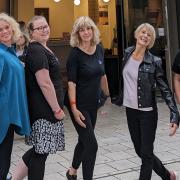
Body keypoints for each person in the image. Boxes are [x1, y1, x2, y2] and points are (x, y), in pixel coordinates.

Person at [119, 23, 179, 180]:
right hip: (130, 111)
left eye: (149, 34)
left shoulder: (155, 61)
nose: (145, 35)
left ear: (151, 40)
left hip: (147, 113)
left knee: (146, 155)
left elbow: (165, 89)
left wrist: (174, 115)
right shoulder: (126, 54)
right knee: (140, 151)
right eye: (143, 32)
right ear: (137, 34)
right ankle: (167, 176)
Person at [11, 16, 65, 180]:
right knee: (41, 154)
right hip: (44, 111)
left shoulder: (42, 48)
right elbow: (44, 83)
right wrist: (56, 109)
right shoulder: (36, 50)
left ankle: (14, 178)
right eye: (39, 28)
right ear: (31, 33)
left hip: (45, 109)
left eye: (46, 26)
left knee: (40, 150)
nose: (44, 30)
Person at [65, 16, 109, 180]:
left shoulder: (99, 48)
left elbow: (102, 75)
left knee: (84, 141)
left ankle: (72, 172)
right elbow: (71, 84)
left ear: (93, 30)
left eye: (88, 28)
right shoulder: (74, 55)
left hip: (93, 103)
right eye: (81, 30)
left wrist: (108, 99)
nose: (85, 32)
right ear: (77, 33)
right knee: (92, 145)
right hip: (79, 104)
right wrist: (74, 108)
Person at [0, 13, 31, 179]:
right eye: (0, 29)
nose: (5, 31)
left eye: (7, 27)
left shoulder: (8, 51)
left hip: (8, 117)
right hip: (2, 118)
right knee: (2, 164)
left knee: (4, 161)